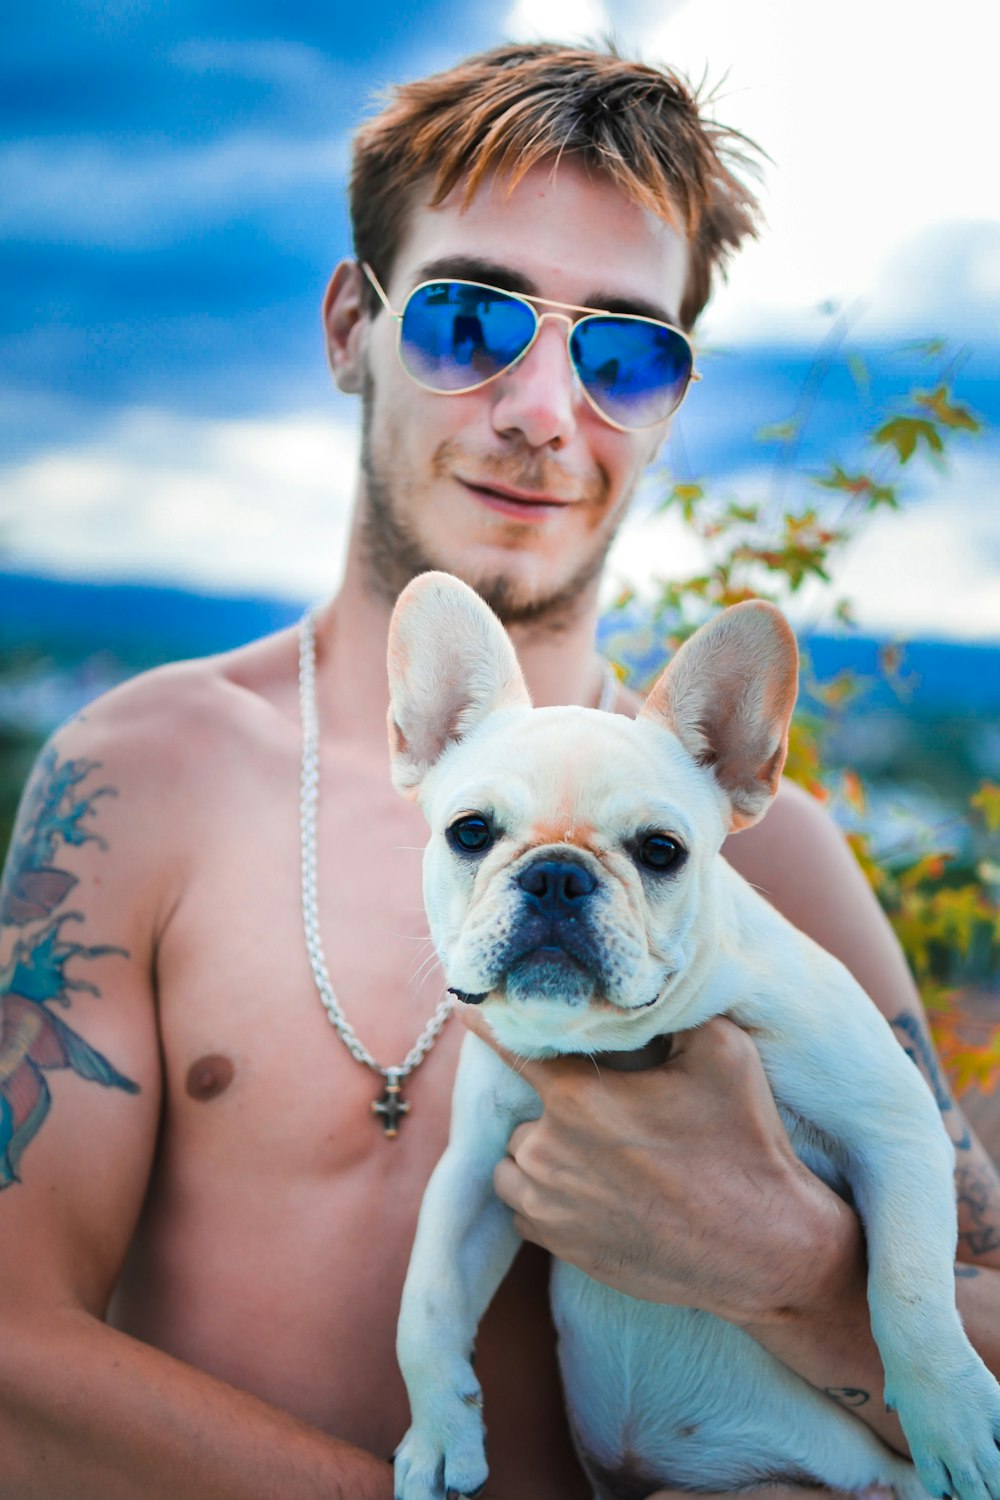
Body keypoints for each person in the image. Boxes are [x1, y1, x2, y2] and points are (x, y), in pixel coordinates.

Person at [0, 41, 997, 1500]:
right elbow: (15, 1360)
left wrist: (791, 1263)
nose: (544, 408)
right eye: (472, 321)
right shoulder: (139, 779)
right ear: (352, 324)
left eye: (625, 352)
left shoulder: (751, 850)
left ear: (669, 401)